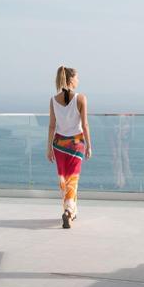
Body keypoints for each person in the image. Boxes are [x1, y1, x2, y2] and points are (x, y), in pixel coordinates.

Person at [46, 65, 92, 229]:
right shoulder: (81, 99)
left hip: (59, 144)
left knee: (64, 180)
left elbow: (52, 126)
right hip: (75, 143)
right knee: (73, 179)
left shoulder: (53, 100)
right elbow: (85, 124)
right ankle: (68, 211)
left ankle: (71, 211)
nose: (78, 80)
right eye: (77, 77)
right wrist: (89, 145)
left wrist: (48, 147)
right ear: (71, 79)